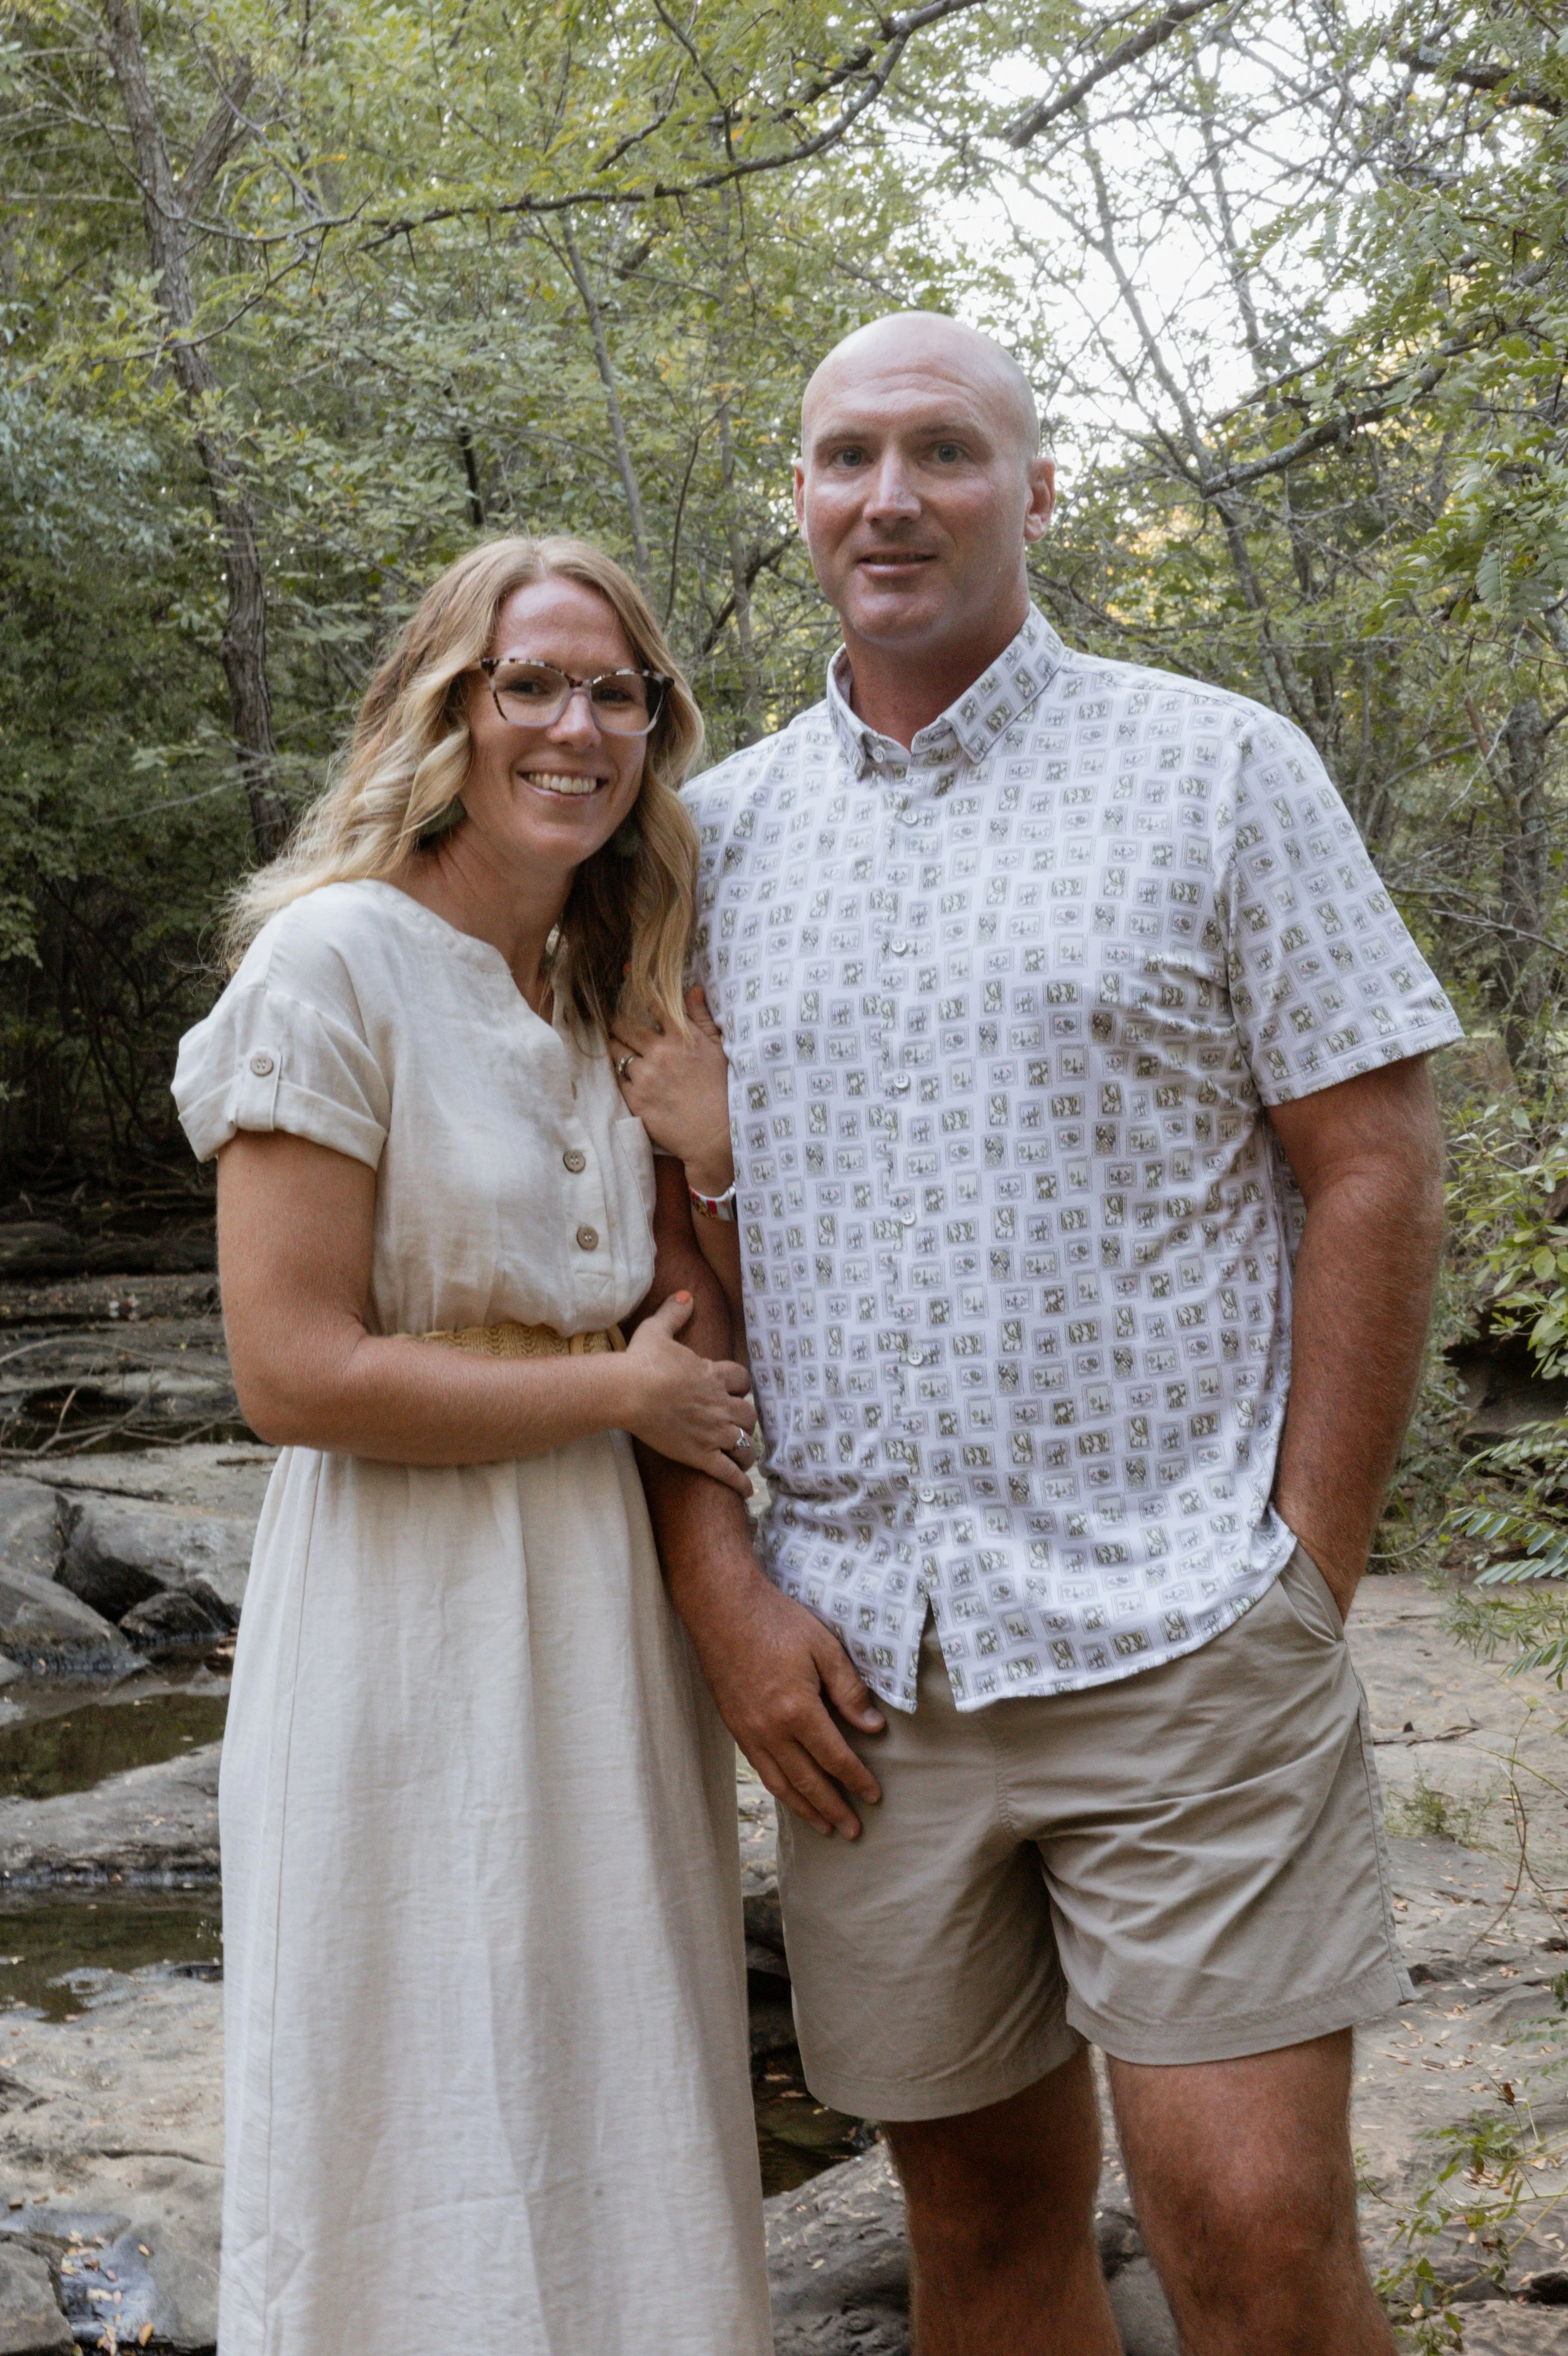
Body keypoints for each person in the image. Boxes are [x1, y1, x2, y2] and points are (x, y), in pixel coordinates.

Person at [613, 314, 1458, 2355]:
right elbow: (661, 1253)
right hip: (864, 1682)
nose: (886, 497)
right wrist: (726, 1596)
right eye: (842, 458)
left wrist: (1303, 1566)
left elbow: (1373, 1163)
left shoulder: (1217, 767)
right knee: (982, 2240)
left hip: (1182, 1628)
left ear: (1038, 489)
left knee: (1249, 2233)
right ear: (798, 497)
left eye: (943, 453)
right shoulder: (703, 845)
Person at [172, 535, 773, 2356]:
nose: (577, 727)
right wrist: (613, 1394)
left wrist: (715, 1137)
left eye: (616, 694)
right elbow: (293, 1371)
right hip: (403, 1611)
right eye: (532, 684)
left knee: (613, 2069)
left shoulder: (600, 983)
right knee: (408, 2075)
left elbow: (706, 1316)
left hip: (593, 1615)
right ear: (448, 708)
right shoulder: (333, 961)